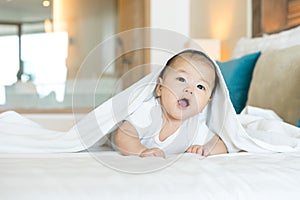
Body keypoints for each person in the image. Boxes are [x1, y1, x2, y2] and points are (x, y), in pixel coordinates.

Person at [114, 50, 228, 158]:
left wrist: (206, 149)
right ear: (160, 88)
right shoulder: (149, 110)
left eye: (200, 86)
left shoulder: (194, 126)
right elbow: (124, 134)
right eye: (182, 79)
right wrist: (140, 151)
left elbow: (219, 144)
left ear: (205, 104)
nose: (189, 89)